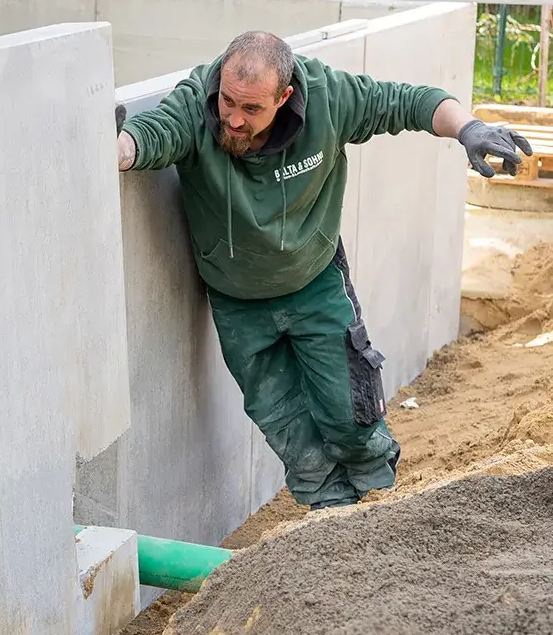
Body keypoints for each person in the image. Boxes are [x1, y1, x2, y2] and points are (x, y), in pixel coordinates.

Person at [116, 30, 531, 515]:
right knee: (292, 434)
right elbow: (155, 133)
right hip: (238, 301)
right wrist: (118, 148)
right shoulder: (197, 102)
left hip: (316, 282)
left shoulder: (329, 98)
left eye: (251, 110)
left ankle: (380, 511)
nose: (232, 118)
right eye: (227, 101)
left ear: (285, 97)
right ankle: (329, 533)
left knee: (350, 420)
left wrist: (467, 128)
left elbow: (410, 102)